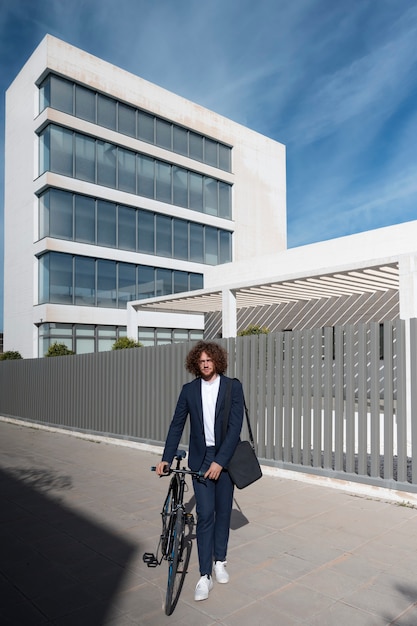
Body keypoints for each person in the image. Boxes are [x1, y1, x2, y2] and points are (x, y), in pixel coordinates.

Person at [155, 340, 244, 602]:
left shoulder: (232, 387)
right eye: (201, 361)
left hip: (224, 459)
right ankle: (205, 575)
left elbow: (235, 427)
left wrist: (221, 461)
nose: (205, 364)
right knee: (205, 515)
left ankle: (220, 561)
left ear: (217, 361)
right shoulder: (189, 390)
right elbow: (176, 425)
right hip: (200, 460)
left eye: (209, 360)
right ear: (196, 363)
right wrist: (166, 457)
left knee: (223, 513)